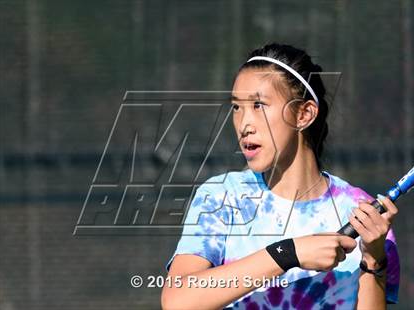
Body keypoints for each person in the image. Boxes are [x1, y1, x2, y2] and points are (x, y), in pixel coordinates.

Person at [161, 43, 400, 310]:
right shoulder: (220, 196)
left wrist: (373, 260)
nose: (244, 124)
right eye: (237, 108)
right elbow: (178, 301)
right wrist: (288, 254)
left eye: (258, 105)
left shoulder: (363, 214)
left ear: (304, 114)